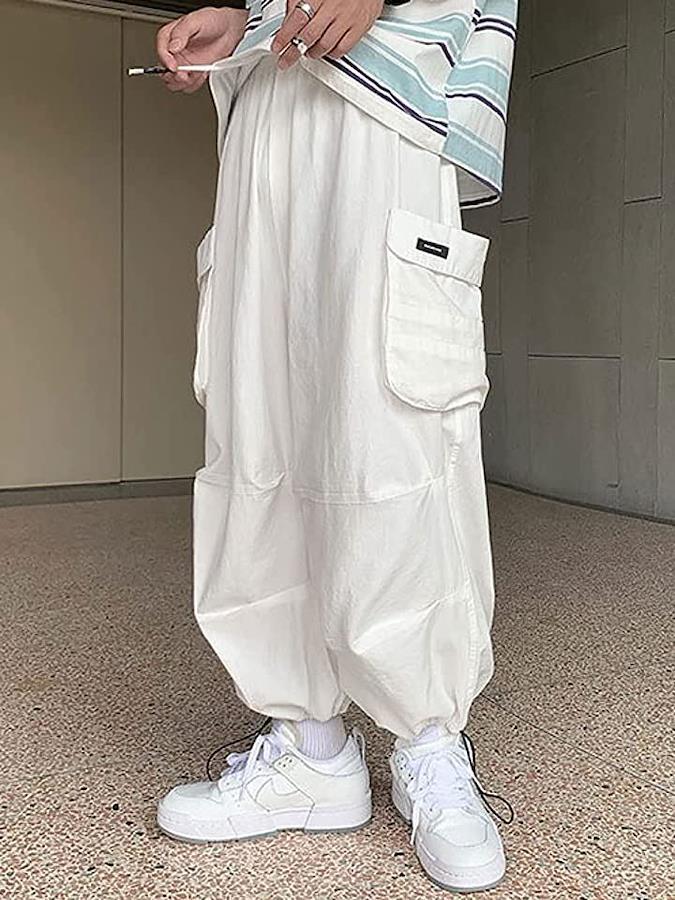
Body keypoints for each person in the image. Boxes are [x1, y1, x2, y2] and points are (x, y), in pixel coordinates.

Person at [155, 0, 517, 892]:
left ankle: (428, 740)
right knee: (259, 429)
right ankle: (310, 749)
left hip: (386, 98)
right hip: (268, 98)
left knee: (389, 430)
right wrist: (238, 23)